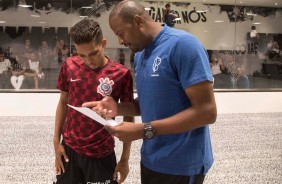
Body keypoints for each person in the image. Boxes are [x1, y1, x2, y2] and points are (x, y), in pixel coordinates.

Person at [82, 1, 217, 184]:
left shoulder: (184, 45)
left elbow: (207, 112)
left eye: (121, 33)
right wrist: (117, 108)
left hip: (182, 165)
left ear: (138, 21)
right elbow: (149, 102)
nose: (121, 41)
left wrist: (142, 130)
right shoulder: (140, 54)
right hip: (151, 161)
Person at [53, 18, 134, 184]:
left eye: (93, 53)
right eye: (81, 55)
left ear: (103, 43)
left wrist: (125, 158)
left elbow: (129, 117)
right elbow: (63, 102)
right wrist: (56, 142)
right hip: (69, 149)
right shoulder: (69, 65)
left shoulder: (121, 74)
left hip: (101, 153)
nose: (88, 60)